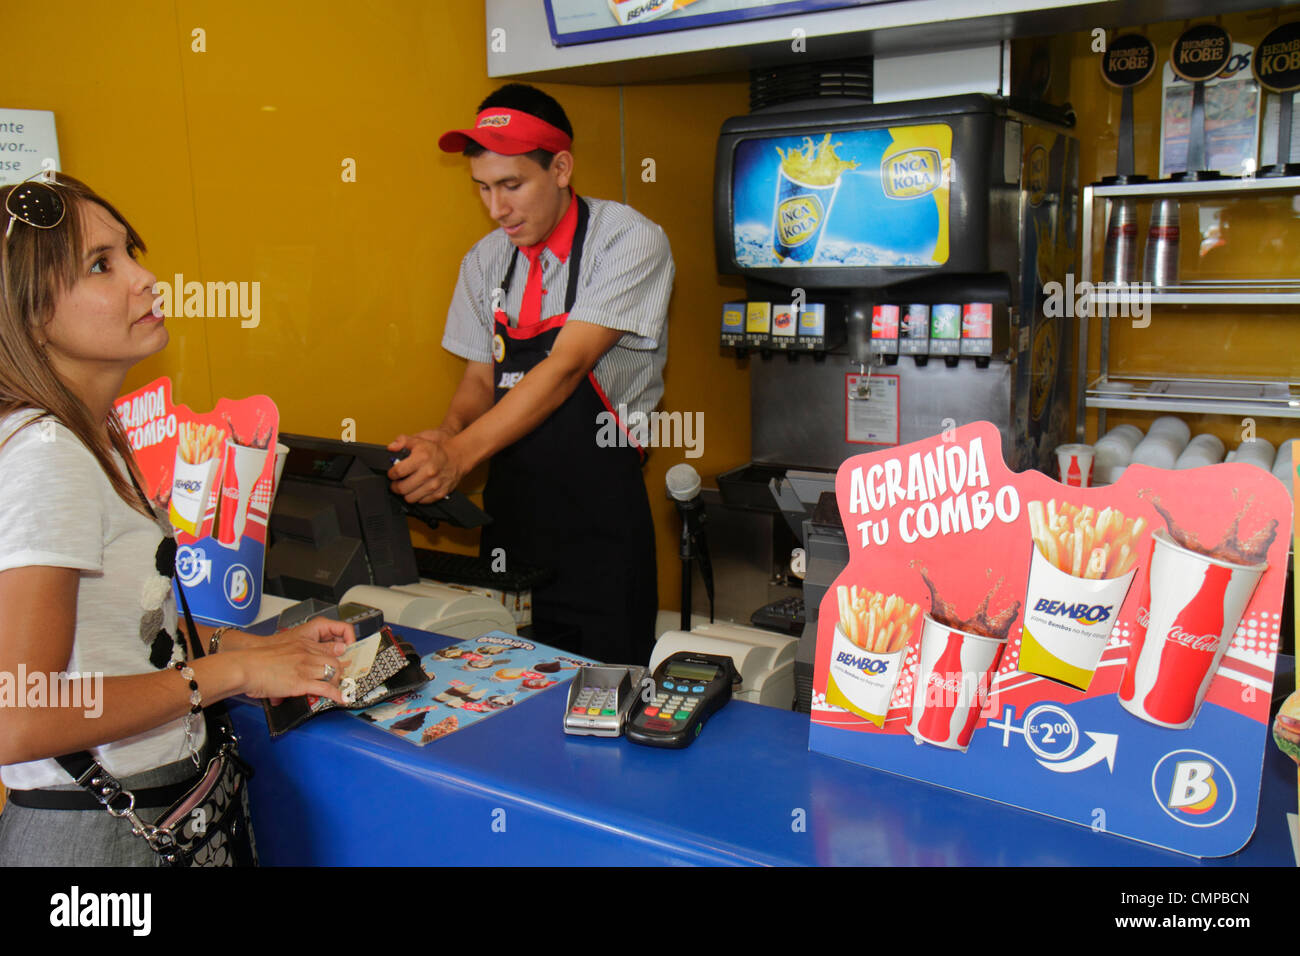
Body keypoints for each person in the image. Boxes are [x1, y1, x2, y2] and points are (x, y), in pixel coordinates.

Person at [0, 171, 356, 866]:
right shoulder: (47, 455)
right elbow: (19, 715)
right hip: (96, 842)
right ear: (28, 313)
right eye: (102, 265)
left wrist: (259, 649)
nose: (146, 279)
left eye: (132, 251)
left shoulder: (93, 437)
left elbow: (125, 642)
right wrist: (231, 679)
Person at [387, 84, 674, 665]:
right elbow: (477, 380)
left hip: (602, 530)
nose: (497, 210)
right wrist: (447, 436)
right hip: (510, 530)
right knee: (505, 700)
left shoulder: (628, 241)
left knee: (604, 710)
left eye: (512, 186)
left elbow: (566, 368)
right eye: (483, 189)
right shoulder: (484, 261)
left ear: (561, 168)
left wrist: (460, 457)